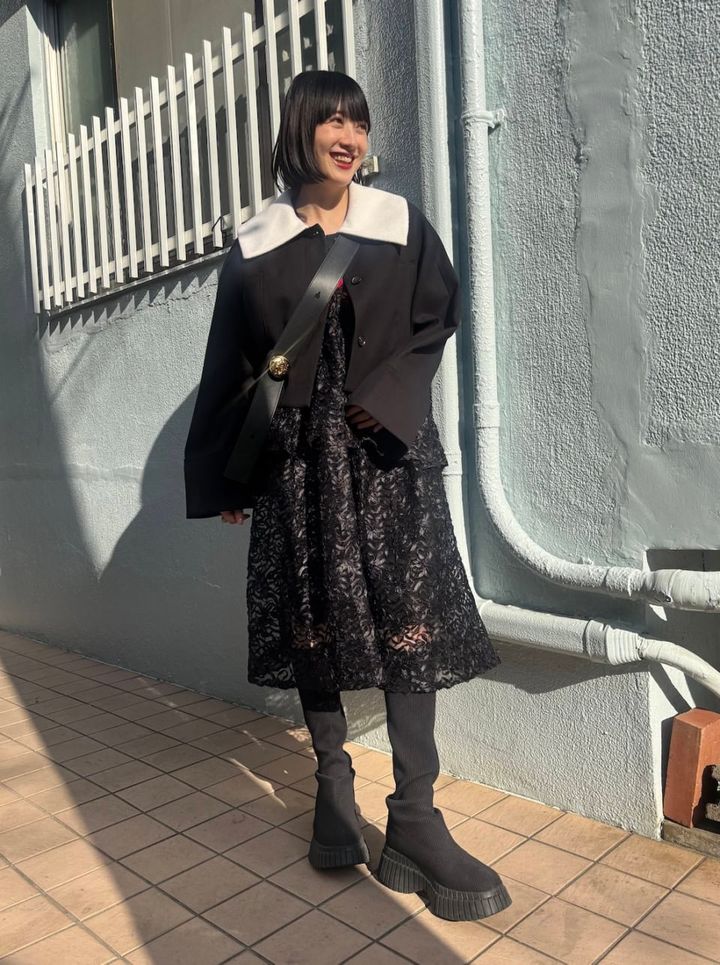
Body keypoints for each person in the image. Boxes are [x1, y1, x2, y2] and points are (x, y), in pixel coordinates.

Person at [184, 69, 511, 921]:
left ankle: (415, 817)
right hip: (298, 465)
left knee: (411, 617)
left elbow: (437, 318)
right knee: (313, 617)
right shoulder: (254, 245)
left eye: (358, 123)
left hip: (386, 452)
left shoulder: (396, 223)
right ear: (299, 128)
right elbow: (232, 367)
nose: (347, 136)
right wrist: (230, 475)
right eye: (331, 119)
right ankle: (333, 788)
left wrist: (390, 396)